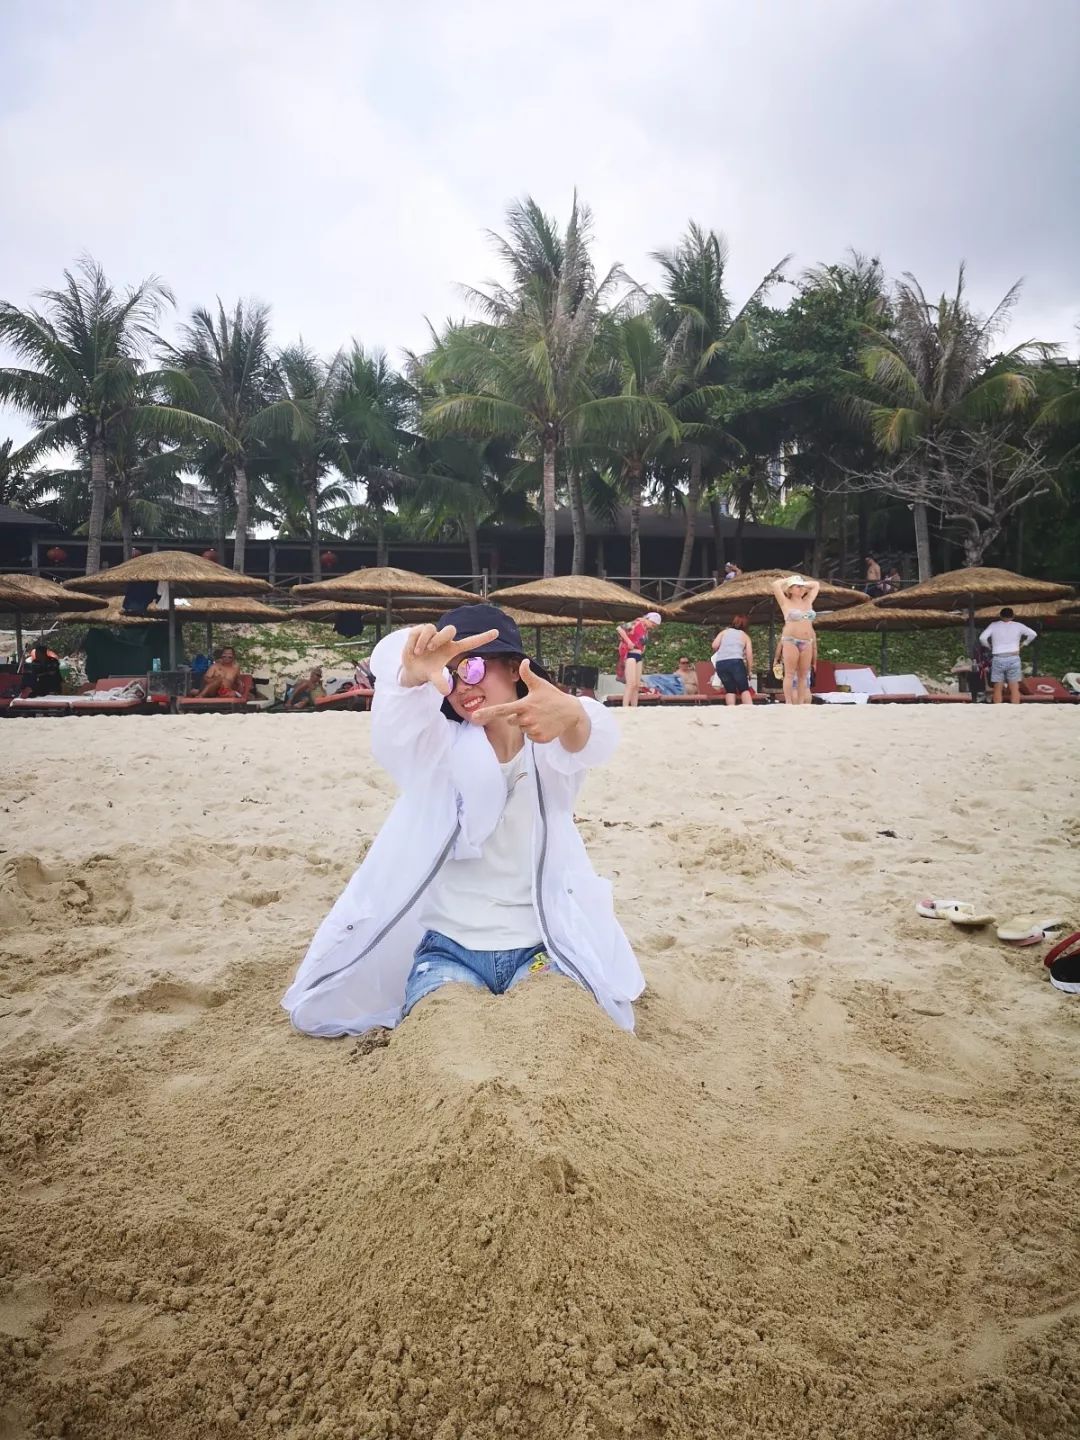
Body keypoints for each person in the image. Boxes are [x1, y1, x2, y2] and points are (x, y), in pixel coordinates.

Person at [281, 604, 644, 1038]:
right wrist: (409, 675)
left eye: (472, 667)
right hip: (449, 950)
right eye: (449, 676)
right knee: (443, 1041)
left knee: (553, 1037)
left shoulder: (549, 750)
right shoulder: (439, 747)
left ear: (514, 667)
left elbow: (587, 739)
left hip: (541, 947)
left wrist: (574, 714)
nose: (461, 686)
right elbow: (396, 728)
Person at [772, 574, 821, 706]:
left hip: (807, 641)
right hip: (791, 640)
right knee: (789, 673)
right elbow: (775, 585)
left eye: (802, 587)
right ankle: (788, 702)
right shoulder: (785, 602)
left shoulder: (808, 601)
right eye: (797, 587)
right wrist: (788, 580)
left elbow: (816, 585)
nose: (801, 588)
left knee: (803, 675)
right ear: (790, 589)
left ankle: (800, 702)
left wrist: (802, 583)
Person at [979, 607, 1037, 705]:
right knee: (1014, 686)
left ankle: (997, 707)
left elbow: (982, 638)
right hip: (1013, 657)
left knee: (998, 686)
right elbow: (1033, 634)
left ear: (1000, 616)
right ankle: (1015, 707)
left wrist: (989, 646)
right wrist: (1024, 644)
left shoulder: (994, 625)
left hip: (998, 657)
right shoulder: (1018, 625)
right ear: (1013, 616)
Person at [617, 611, 662, 708]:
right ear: (648, 619)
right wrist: (628, 642)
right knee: (631, 683)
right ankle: (625, 706)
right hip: (630, 654)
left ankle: (634, 707)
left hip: (638, 655)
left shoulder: (646, 630)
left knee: (637, 685)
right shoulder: (637, 623)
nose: (653, 626)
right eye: (653, 623)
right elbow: (620, 628)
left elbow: (642, 642)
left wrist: (642, 648)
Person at [710, 616, 755, 706]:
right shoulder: (745, 636)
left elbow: (714, 645)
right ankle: (750, 709)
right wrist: (750, 671)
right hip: (735, 662)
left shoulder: (724, 632)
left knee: (730, 689)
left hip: (721, 663)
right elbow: (749, 655)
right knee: (743, 688)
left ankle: (731, 709)